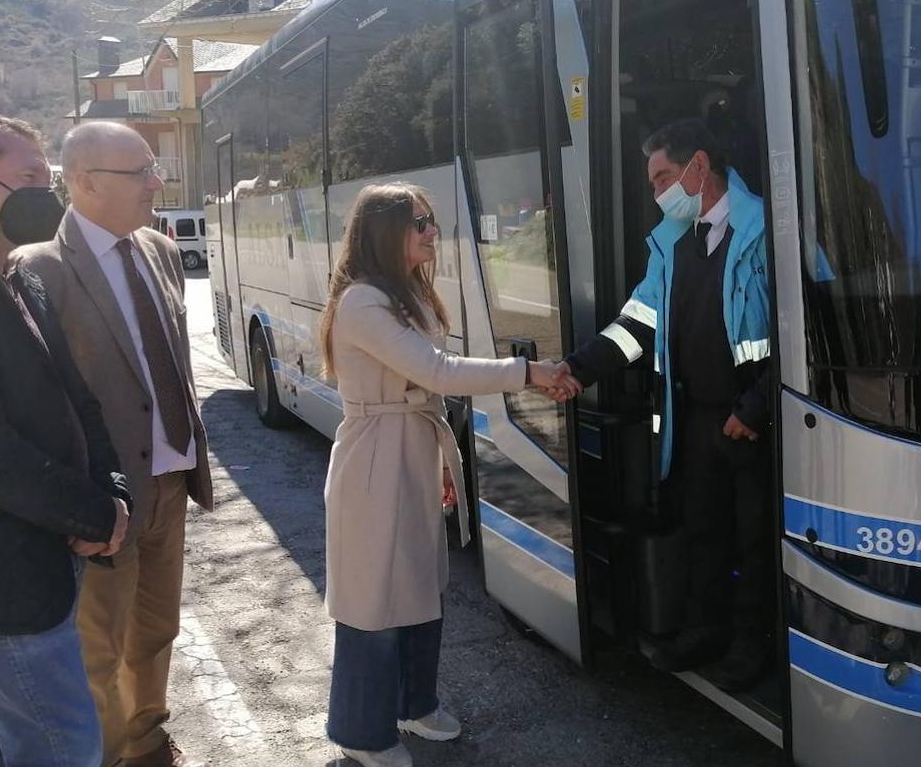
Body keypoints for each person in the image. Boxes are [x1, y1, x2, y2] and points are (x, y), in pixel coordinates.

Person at [318, 183, 577, 767]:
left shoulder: (406, 291)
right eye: (420, 223)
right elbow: (435, 370)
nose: (432, 231)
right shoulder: (362, 300)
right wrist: (530, 372)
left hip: (410, 447)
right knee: (373, 601)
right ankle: (361, 731)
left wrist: (438, 462)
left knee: (420, 585)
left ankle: (415, 702)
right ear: (386, 232)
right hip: (376, 459)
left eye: (431, 220)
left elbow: (429, 381)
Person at [0, 110, 132, 766]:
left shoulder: (18, 273)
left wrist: (111, 486)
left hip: (40, 558)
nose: (50, 193)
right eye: (31, 177)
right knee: (63, 744)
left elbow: (77, 398)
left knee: (4, 737)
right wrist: (90, 512)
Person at [13, 121, 213, 767]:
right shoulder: (38, 268)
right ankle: (106, 754)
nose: (158, 182)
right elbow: (38, 400)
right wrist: (75, 502)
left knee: (157, 629)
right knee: (97, 646)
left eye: (154, 168)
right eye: (141, 173)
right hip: (107, 497)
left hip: (172, 480)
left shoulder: (158, 248)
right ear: (85, 183)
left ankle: (148, 740)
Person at [554, 118, 777, 691]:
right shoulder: (673, 247)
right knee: (703, 533)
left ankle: (754, 649)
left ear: (698, 168)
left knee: (756, 546)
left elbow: (806, 327)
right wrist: (576, 370)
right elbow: (637, 325)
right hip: (696, 418)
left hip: (756, 423)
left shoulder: (768, 230)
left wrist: (755, 408)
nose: (656, 194)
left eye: (662, 178)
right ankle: (707, 631)